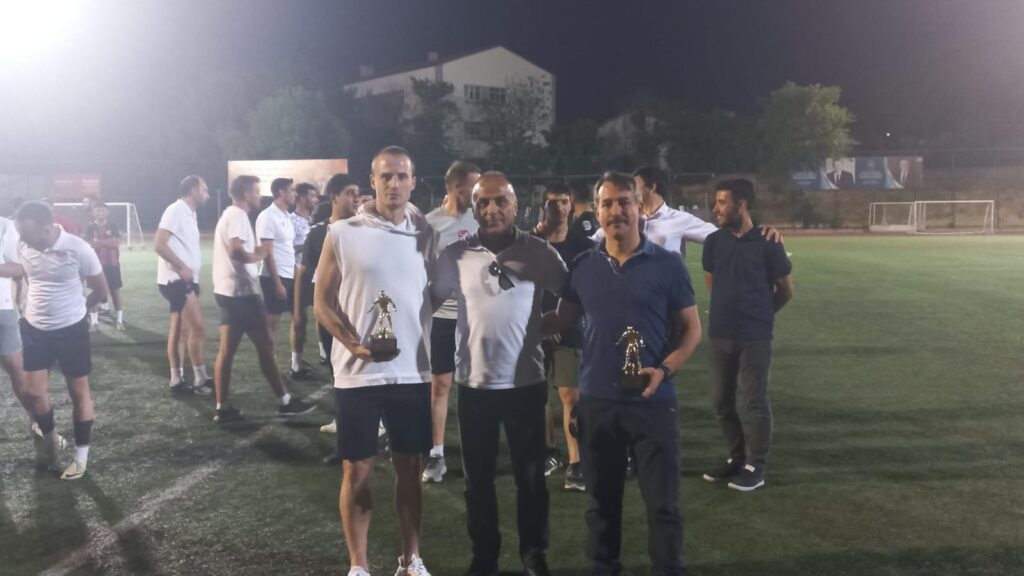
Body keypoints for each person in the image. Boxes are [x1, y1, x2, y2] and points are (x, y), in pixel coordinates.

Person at [543, 172, 703, 575]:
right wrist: (503, 322)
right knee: (601, 506)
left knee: (663, 505)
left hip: (653, 402)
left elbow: (692, 330)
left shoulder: (667, 265)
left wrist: (664, 370)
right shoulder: (582, 267)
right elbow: (560, 320)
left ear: (639, 207)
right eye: (607, 204)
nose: (616, 211)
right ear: (596, 212)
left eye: (624, 202)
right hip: (597, 403)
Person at [432, 172, 565, 576]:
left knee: (531, 479)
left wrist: (549, 325)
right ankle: (484, 558)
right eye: (483, 202)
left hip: (526, 385)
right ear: (473, 209)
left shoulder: (539, 252)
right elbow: (428, 302)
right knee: (478, 482)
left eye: (500, 201)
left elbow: (573, 295)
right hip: (474, 386)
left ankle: (534, 556)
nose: (492, 209)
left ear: (516, 206)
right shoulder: (455, 255)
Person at [314, 146, 437, 576]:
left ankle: (411, 559)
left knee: (410, 467)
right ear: (372, 181)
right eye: (386, 176)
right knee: (357, 469)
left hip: (411, 371)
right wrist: (352, 345)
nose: (394, 184)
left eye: (402, 176)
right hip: (358, 373)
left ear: (413, 182)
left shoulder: (426, 233)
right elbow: (322, 302)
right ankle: (359, 566)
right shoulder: (342, 232)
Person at [701, 179, 793, 492]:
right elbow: (712, 282)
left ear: (741, 205)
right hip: (720, 335)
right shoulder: (714, 242)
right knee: (720, 401)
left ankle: (757, 465)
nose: (716, 208)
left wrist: (762, 315)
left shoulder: (768, 241)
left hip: (755, 336)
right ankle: (736, 457)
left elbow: (786, 290)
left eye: (722, 202)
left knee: (755, 400)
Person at [15, 201, 110, 480]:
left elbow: (100, 290)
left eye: (27, 234)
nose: (22, 240)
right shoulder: (23, 245)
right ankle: (52, 439)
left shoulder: (79, 249)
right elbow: (28, 277)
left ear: (46, 229)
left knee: (78, 393)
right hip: (34, 327)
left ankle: (81, 457)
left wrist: (79, 310)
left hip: (71, 329)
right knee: (34, 392)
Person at [211, 175, 314, 423]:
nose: (259, 195)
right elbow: (235, 250)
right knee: (265, 346)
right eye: (256, 191)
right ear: (246, 194)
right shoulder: (238, 215)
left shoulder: (229, 215)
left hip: (227, 292)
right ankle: (285, 402)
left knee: (227, 351)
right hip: (242, 294)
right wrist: (257, 255)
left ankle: (222, 408)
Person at [422, 159, 481, 483]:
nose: (478, 193)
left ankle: (476, 453)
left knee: (475, 387)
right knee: (440, 385)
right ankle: (437, 454)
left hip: (476, 318)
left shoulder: (482, 219)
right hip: (442, 317)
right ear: (455, 187)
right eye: (473, 186)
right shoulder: (430, 224)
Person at [534, 182, 593, 492]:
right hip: (533, 330)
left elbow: (586, 290)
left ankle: (576, 460)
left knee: (570, 394)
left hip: (569, 329)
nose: (558, 207)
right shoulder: (531, 243)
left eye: (563, 202)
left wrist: (562, 321)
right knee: (537, 394)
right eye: (552, 203)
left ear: (572, 206)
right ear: (543, 207)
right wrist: (541, 323)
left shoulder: (583, 245)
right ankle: (548, 451)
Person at [300, 174, 360, 457]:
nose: (356, 199)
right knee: (338, 373)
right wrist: (299, 309)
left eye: (357, 193)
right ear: (334, 196)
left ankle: (379, 425)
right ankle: (345, 436)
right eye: (349, 193)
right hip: (330, 315)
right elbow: (305, 273)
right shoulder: (318, 233)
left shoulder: (365, 229)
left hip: (357, 315)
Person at [0, 214, 68, 452]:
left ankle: (39, 424)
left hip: (2, 311)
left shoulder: (5, 226)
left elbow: (18, 268)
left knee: (19, 373)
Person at [154, 175, 214, 396]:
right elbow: (159, 244)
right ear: (193, 190)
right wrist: (181, 267)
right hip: (176, 280)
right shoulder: (176, 210)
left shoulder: (189, 213)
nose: (207, 193)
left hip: (185, 280)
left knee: (181, 330)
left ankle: (177, 379)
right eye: (204, 189)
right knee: (197, 328)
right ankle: (200, 379)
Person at [255, 177, 297, 348]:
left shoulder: (286, 216)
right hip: (274, 277)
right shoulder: (268, 216)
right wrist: (278, 283)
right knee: (272, 322)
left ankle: (295, 360)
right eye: (292, 190)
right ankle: (268, 359)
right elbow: (267, 252)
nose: (295, 194)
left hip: (288, 274)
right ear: (281, 192)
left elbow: (287, 247)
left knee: (298, 316)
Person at [289, 182, 319, 378]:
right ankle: (296, 364)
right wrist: (310, 246)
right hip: (299, 275)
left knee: (322, 315)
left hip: (318, 275)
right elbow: (286, 248)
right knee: (300, 319)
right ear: (300, 198)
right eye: (312, 196)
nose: (315, 199)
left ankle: (324, 354)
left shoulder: (315, 221)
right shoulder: (290, 221)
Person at [84, 202, 126, 332]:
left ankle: (119, 321)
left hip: (112, 264)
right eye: (97, 210)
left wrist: (98, 242)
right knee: (94, 292)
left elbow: (116, 244)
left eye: (102, 210)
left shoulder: (113, 226)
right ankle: (94, 322)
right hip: (94, 265)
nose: (100, 213)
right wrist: (106, 242)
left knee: (115, 291)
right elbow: (87, 245)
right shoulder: (89, 228)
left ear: (107, 212)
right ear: (93, 213)